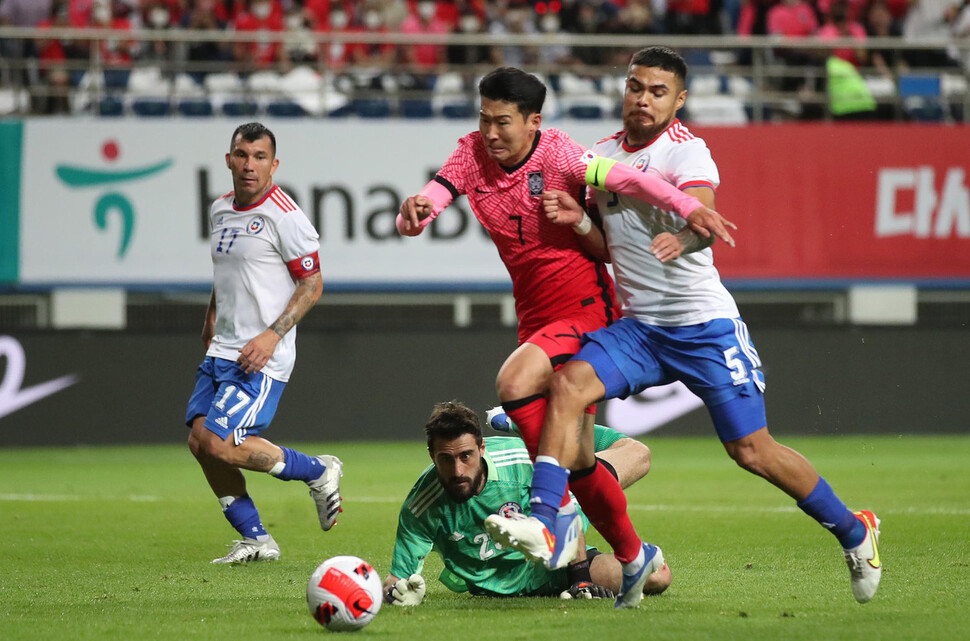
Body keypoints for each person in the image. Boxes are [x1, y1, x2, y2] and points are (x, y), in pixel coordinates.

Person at [498, 46, 882, 607]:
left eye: (658, 91)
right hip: (641, 330)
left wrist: (686, 236)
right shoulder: (599, 156)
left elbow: (702, 214)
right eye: (636, 86)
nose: (643, 98)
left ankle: (855, 530)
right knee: (567, 385)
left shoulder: (686, 151)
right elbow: (613, 249)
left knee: (752, 451)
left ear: (678, 101)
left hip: (704, 327)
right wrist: (581, 219)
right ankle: (547, 523)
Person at [397, 65, 734, 603]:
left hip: (586, 308)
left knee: (513, 381)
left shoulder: (559, 155)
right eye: (484, 119)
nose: (490, 132)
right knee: (577, 462)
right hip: (533, 315)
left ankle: (545, 519)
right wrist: (415, 213)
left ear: (533, 122)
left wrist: (688, 206)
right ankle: (629, 555)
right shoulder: (470, 151)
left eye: (502, 122)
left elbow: (631, 180)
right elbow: (435, 195)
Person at [185, 122, 343, 564]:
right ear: (229, 159)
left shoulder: (286, 216)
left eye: (259, 157)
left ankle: (318, 470)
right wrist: (211, 313)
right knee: (200, 443)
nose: (249, 164)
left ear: (274, 165)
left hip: (260, 357)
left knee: (221, 442)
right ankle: (257, 539)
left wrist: (273, 335)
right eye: (242, 154)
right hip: (222, 348)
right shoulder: (219, 209)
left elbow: (312, 284)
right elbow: (227, 271)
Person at [383, 401, 671, 605]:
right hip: (501, 585)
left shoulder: (522, 463)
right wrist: (397, 593)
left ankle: (536, 430)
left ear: (482, 448)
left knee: (657, 578)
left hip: (554, 567)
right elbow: (396, 579)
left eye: (466, 456)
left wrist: (580, 578)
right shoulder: (422, 504)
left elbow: (567, 508)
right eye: (445, 459)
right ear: (431, 455)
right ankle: (536, 429)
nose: (458, 471)